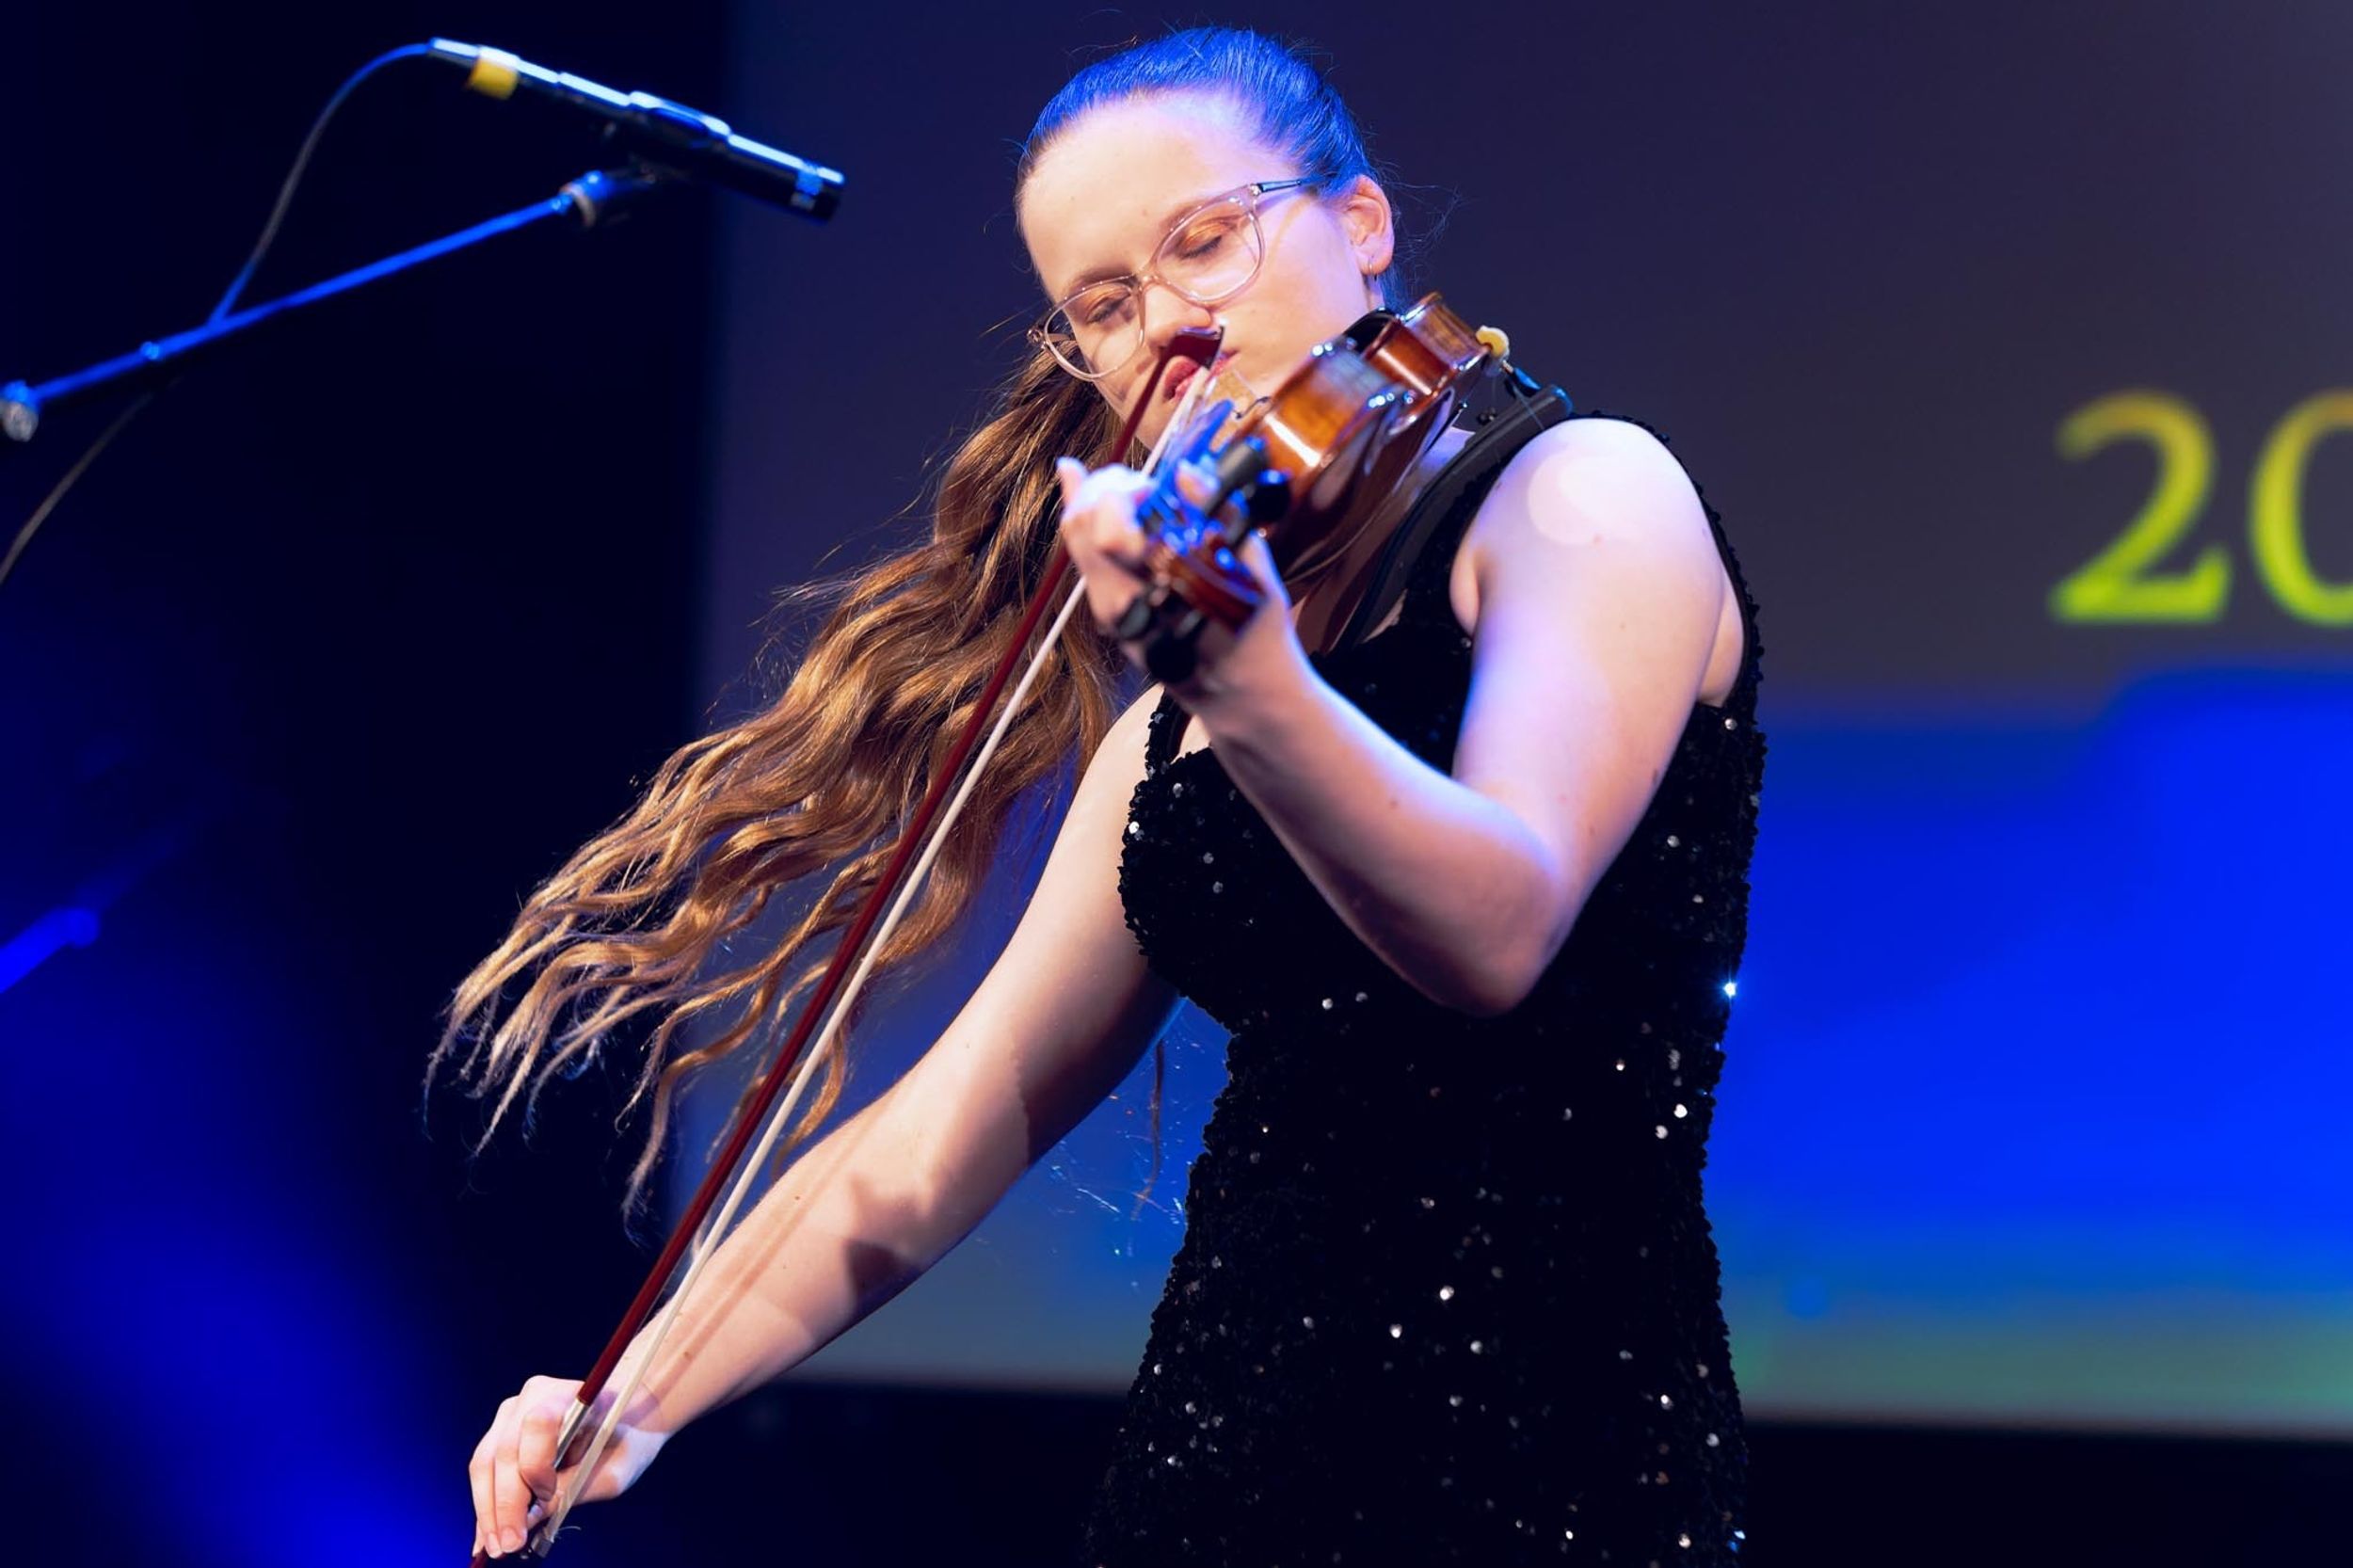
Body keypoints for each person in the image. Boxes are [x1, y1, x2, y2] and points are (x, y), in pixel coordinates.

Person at [440, 24, 1763, 1566]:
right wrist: (636, 1389)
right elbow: (945, 1127)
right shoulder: (1185, 707)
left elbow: (1499, 926)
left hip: (1556, 1467)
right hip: (1219, 1470)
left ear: (1361, 223)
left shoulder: (1581, 496)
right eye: (1106, 307)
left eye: (1204, 242)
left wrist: (1243, 678)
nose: (1171, 330)